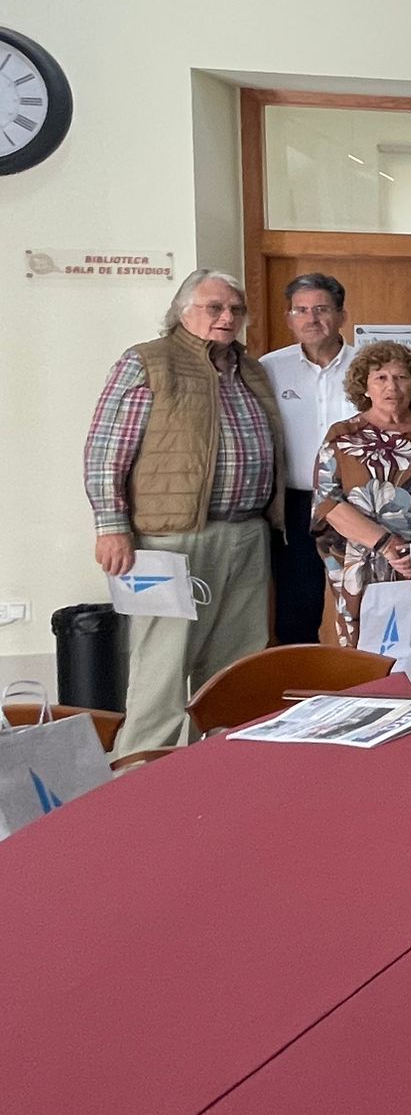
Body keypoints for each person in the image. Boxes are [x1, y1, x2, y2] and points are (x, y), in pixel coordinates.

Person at [85, 269, 283, 758]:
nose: (227, 317)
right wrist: (111, 527)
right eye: (213, 307)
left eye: (235, 309)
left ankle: (225, 765)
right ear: (182, 311)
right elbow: (106, 450)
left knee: (237, 663)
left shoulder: (250, 369)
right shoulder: (148, 362)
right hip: (169, 541)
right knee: (162, 667)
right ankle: (140, 772)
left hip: (246, 534)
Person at [310, 341, 411, 649]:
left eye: (401, 377)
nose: (391, 386)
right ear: (364, 386)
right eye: (380, 377)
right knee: (361, 659)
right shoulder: (342, 436)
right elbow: (327, 504)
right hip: (358, 570)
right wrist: (386, 545)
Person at [260, 272, 357, 645]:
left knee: (360, 601)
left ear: (341, 316)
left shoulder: (366, 366)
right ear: (289, 318)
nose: (311, 318)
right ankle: (300, 691)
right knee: (296, 609)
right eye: (300, 310)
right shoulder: (269, 368)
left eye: (321, 309)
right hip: (296, 504)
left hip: (357, 502)